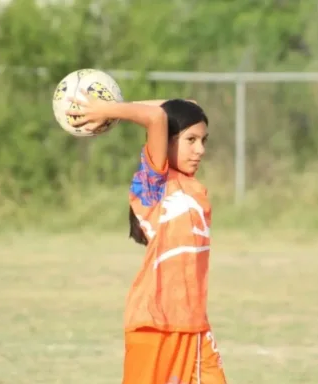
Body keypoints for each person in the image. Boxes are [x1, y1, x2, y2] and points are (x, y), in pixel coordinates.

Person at [67, 91, 227, 384]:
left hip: (194, 326)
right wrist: (107, 109)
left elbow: (189, 107)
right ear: (166, 140)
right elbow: (157, 117)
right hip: (154, 325)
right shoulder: (155, 183)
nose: (200, 149)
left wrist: (113, 111)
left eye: (203, 140)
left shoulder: (194, 188)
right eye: (190, 140)